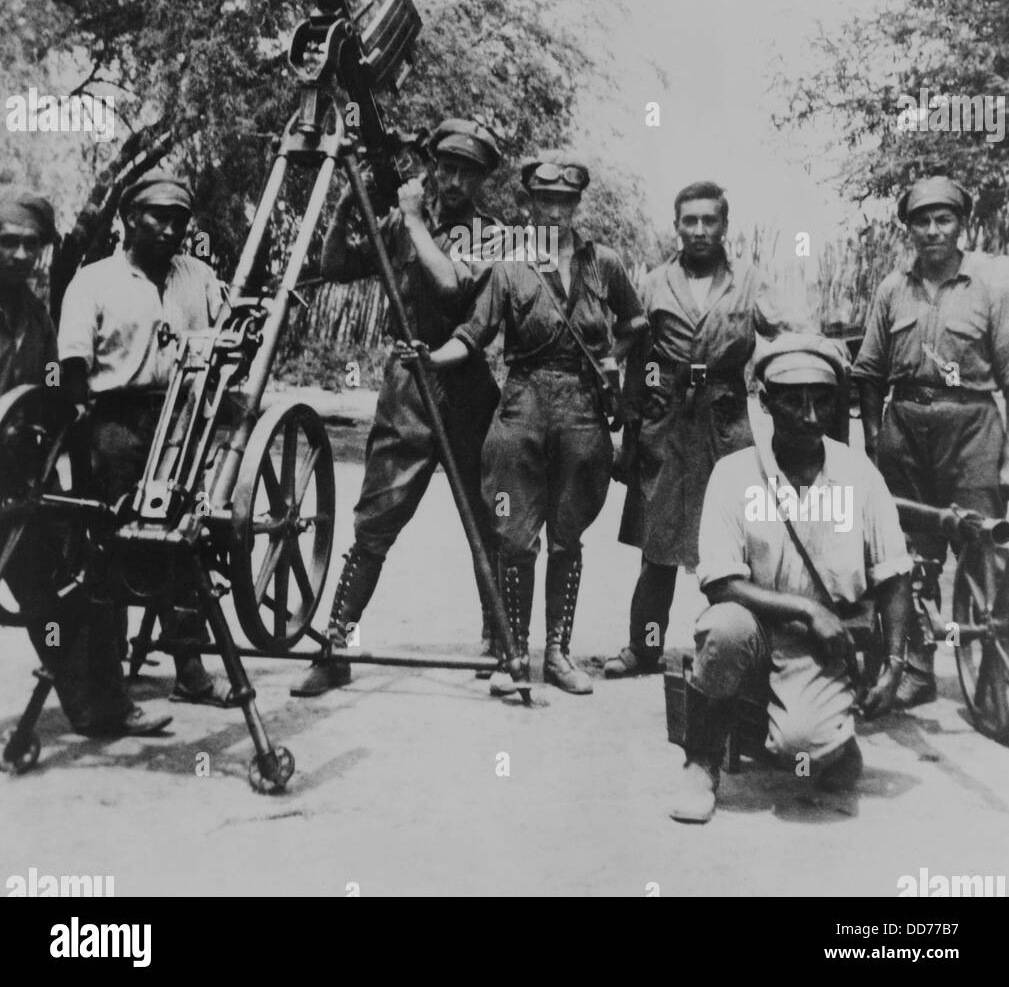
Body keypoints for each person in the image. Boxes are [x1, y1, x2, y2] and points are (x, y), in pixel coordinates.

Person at [413, 152, 646, 696]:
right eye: (545, 200)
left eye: (565, 201)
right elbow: (474, 332)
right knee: (515, 538)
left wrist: (614, 355)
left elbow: (636, 322)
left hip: (583, 413)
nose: (555, 211)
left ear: (576, 205)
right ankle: (513, 656)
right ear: (530, 203)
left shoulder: (603, 263)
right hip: (522, 405)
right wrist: (433, 359)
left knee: (567, 539)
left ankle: (558, 656)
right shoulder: (509, 262)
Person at [291, 117, 504, 697]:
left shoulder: (490, 237)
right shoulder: (399, 223)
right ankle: (337, 646)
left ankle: (500, 643)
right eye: (446, 166)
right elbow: (336, 267)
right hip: (408, 385)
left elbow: (453, 289)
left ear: (483, 179)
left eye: (468, 171)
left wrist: (411, 220)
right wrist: (344, 210)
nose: (454, 180)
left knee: (485, 520)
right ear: (433, 166)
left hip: (464, 385)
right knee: (375, 521)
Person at [670, 333, 912, 823]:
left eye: (822, 400)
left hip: (820, 646)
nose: (809, 414)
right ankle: (701, 761)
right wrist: (806, 608)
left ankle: (831, 741)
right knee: (722, 627)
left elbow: (893, 574)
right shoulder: (734, 474)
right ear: (766, 401)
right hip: (757, 629)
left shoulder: (859, 475)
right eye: (793, 399)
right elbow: (719, 583)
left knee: (804, 751)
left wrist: (895, 663)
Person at [0, 185, 171, 737]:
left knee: (64, 591)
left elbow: (51, 387)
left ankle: (100, 706)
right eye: (8, 243)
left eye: (32, 245)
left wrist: (66, 458)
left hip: (20, 480)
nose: (22, 256)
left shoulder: (35, 315)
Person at [58, 172, 233, 706]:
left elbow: (230, 337)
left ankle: (190, 670)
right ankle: (107, 674)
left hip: (181, 421)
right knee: (113, 536)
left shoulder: (198, 276)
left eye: (180, 220)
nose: (171, 228)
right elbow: (72, 363)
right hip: (115, 423)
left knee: (184, 536)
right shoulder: (94, 281)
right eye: (159, 217)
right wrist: (81, 423)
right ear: (130, 219)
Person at [605, 180, 783, 680]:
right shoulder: (655, 282)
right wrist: (632, 427)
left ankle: (740, 649)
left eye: (710, 221)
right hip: (667, 423)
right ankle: (644, 648)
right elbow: (638, 357)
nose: (700, 230)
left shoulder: (750, 282)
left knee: (735, 545)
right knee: (657, 547)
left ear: (725, 226)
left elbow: (785, 334)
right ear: (677, 225)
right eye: (690, 221)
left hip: (726, 426)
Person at [852, 175, 1009, 707]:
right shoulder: (892, 289)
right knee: (908, 556)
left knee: (984, 546)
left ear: (961, 224)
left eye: (944, 219)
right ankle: (915, 669)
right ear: (909, 229)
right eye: (922, 221)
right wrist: (876, 443)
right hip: (906, 427)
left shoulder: (994, 284)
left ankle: (991, 674)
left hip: (971, 426)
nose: (933, 231)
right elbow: (869, 374)